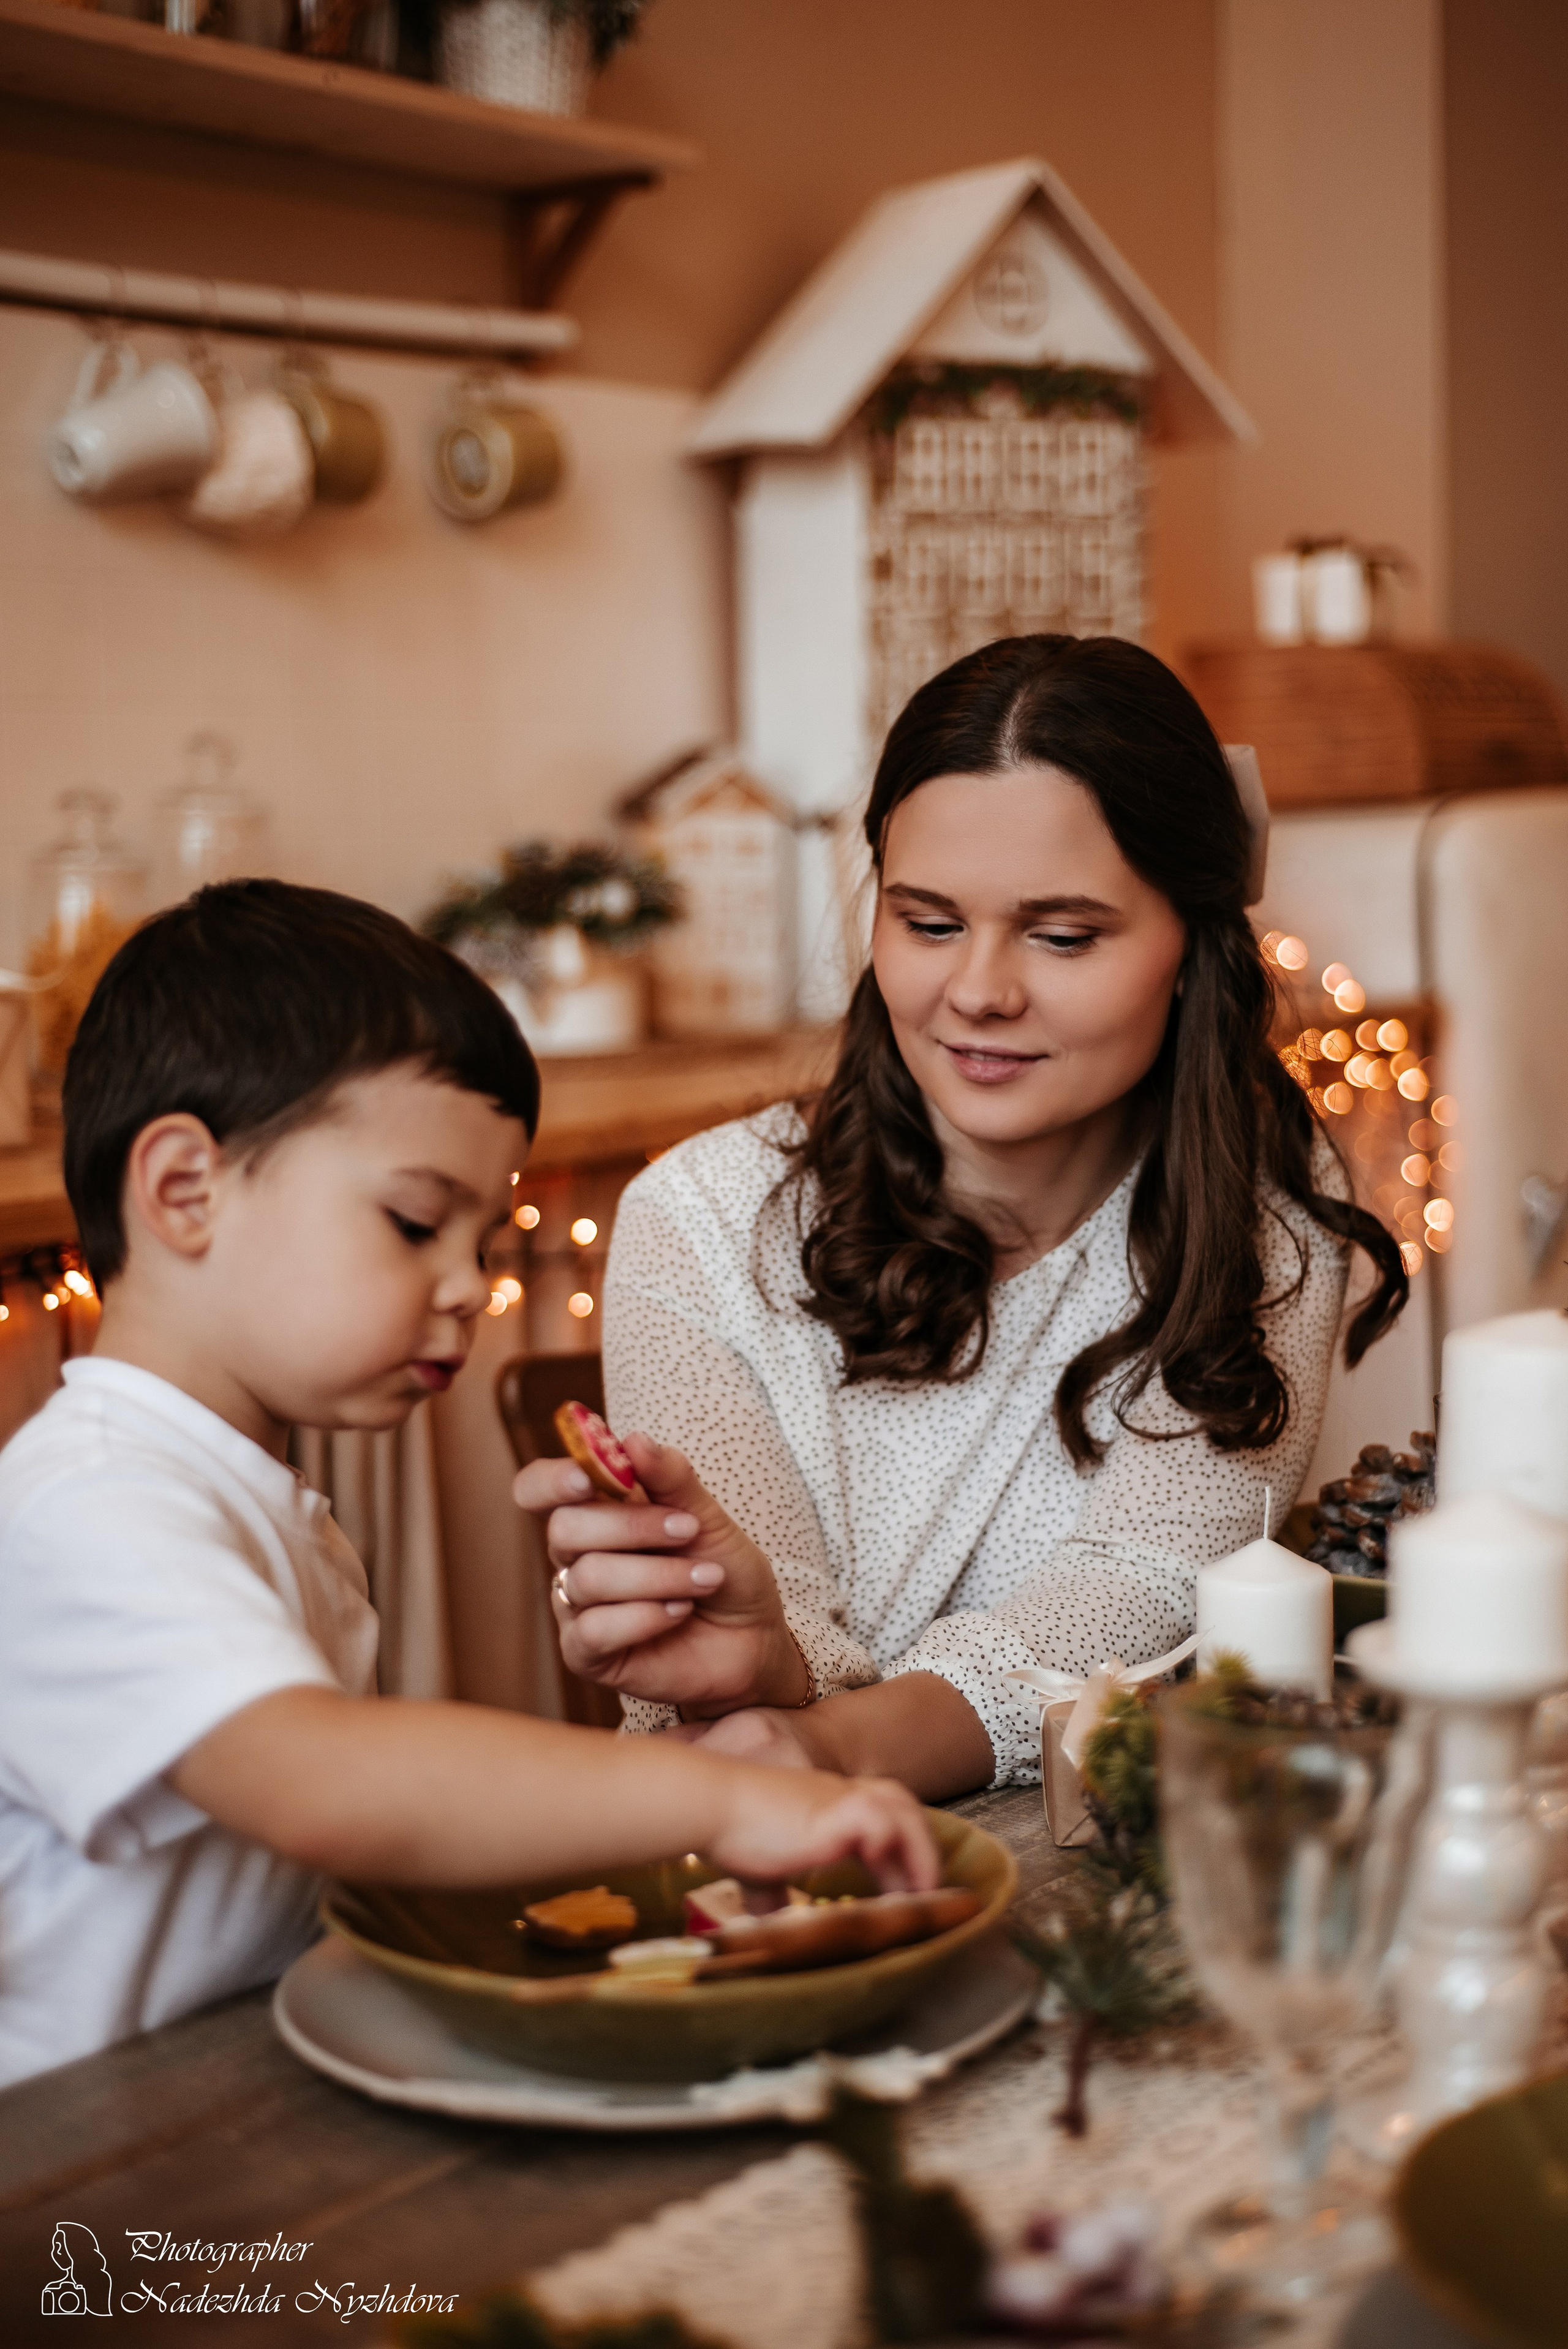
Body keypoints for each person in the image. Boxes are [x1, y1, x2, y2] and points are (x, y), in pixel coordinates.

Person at [0, 882, 935, 2088]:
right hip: (80, 2178)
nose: (462, 1286)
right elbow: (323, 1780)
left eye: (482, 1244)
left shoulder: (242, 1494)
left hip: (236, 2109)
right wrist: (711, 1798)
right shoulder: (90, 1504)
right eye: (411, 1221)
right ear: (186, 1190)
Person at [518, 635, 1408, 1800]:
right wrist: (745, 1658)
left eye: (1063, 935)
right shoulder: (702, 1219)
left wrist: (833, 1742)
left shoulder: (1270, 1227)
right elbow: (738, 1686)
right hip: (748, 1878)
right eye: (929, 923)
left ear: (1193, 946)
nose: (979, 991)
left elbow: (1142, 1588)